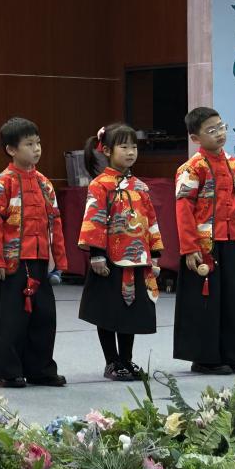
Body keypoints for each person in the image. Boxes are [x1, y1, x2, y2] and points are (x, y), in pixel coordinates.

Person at [0, 117, 67, 388]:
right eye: (29, 144)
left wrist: (60, 259)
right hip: (12, 262)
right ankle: (8, 370)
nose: (36, 149)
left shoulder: (45, 184)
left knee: (44, 317)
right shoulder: (1, 183)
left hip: (41, 260)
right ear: (11, 149)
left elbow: (55, 222)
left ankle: (40, 369)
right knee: (11, 319)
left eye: (38, 143)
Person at [174, 106, 235, 376]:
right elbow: (183, 210)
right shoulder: (191, 168)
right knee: (206, 303)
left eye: (221, 127)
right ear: (195, 138)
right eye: (211, 130)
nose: (219, 133)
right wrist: (189, 248)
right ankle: (205, 358)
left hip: (234, 239)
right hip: (204, 245)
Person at [77, 122, 162, 381]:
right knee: (107, 311)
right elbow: (94, 219)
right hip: (109, 260)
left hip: (137, 259)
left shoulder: (140, 187)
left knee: (130, 312)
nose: (130, 152)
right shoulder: (100, 185)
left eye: (134, 147)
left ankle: (126, 359)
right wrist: (96, 254)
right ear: (106, 150)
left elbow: (151, 221)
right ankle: (112, 361)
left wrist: (154, 255)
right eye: (124, 147)